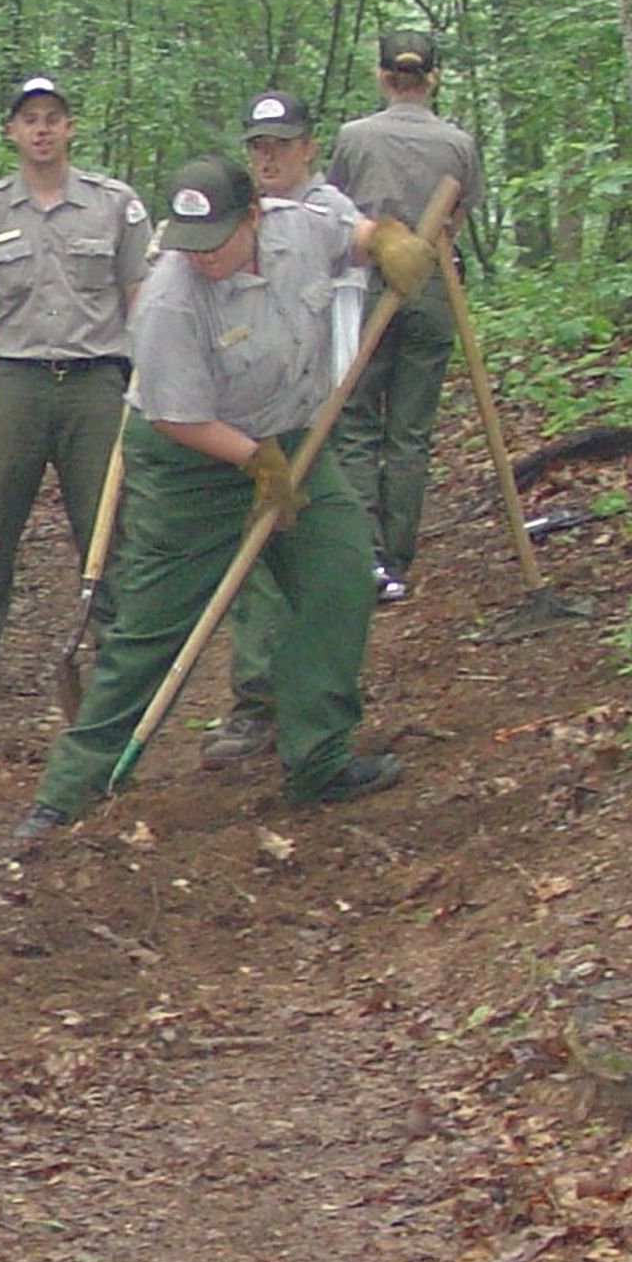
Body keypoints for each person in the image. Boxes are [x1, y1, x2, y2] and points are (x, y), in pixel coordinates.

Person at [13, 152, 395, 852]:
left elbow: (355, 232)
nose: (205, 257)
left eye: (217, 239)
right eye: (192, 243)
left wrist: (391, 244)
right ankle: (70, 791)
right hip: (194, 461)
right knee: (154, 626)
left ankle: (318, 757)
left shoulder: (302, 226)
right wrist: (254, 462)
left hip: (293, 439)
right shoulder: (169, 298)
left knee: (339, 579)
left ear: (253, 215)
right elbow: (174, 416)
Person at [0, 75, 150, 686]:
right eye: (30, 119)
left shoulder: (114, 203)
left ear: (70, 127)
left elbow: (140, 294)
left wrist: (151, 372)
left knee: (104, 515)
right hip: (17, 382)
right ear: (12, 132)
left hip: (95, 381)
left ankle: (119, 645)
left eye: (53, 117)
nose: (42, 129)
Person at [208, 90, 362, 762]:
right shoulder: (240, 216)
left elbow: (355, 295)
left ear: (309, 147)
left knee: (323, 562)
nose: (267, 157)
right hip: (245, 413)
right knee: (256, 558)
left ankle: (313, 699)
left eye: (280, 144)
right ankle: (256, 699)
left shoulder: (333, 217)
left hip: (314, 412)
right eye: (257, 146)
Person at [325, 30, 484, 602]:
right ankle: (398, 553)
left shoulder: (354, 138)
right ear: (431, 78)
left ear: (383, 76)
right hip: (434, 289)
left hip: (369, 284)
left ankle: (368, 557)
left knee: (359, 422)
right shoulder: (458, 143)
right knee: (410, 431)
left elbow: (337, 209)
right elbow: (459, 214)